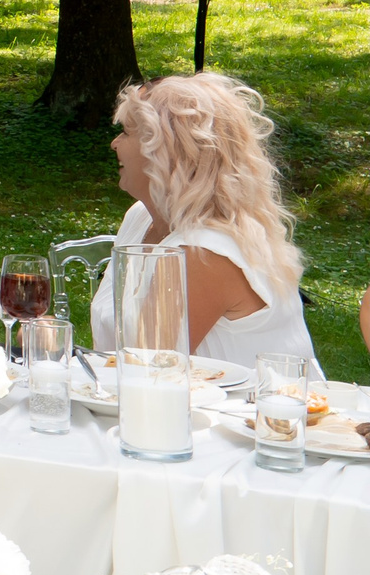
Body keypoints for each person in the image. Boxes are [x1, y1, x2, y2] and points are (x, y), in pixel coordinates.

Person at [90, 73, 315, 364]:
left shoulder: (205, 252)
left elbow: (147, 372)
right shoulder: (140, 218)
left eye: (127, 132)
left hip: (245, 409)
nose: (114, 143)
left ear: (167, 151)